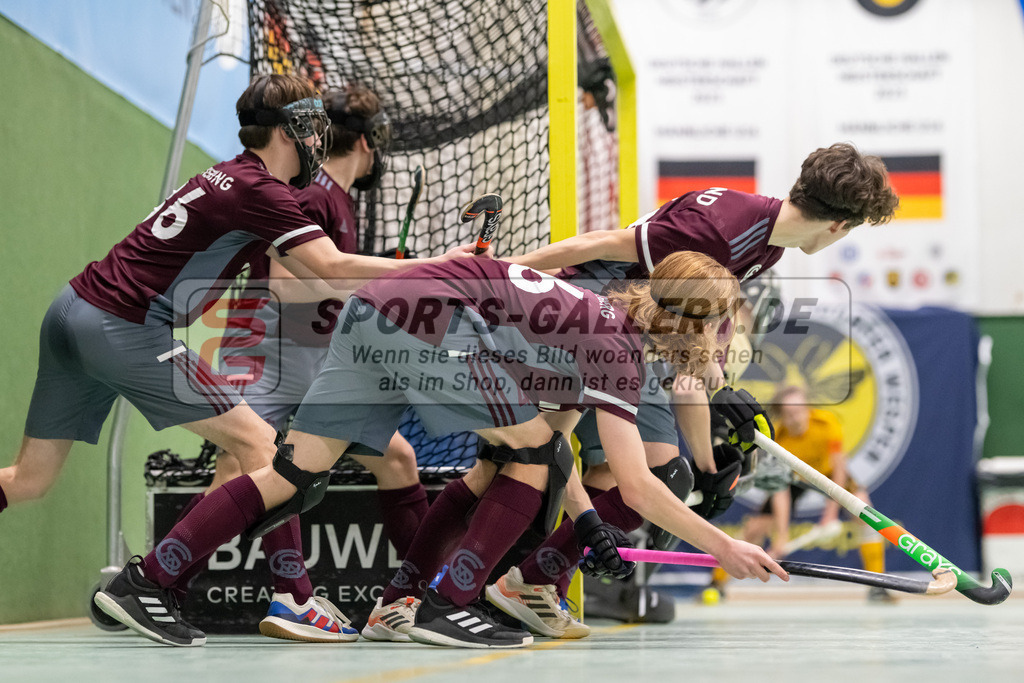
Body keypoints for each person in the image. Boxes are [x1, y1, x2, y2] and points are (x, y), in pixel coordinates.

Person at [95, 251, 789, 648]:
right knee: (521, 455)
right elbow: (634, 485)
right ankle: (441, 600)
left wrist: (582, 522)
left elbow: (558, 446)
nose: (728, 339)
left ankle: (147, 579)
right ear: (696, 320)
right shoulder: (615, 346)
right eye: (725, 324)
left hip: (379, 309)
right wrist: (721, 546)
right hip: (423, 320)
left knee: (292, 471)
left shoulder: (605, 324)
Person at [0, 72, 474, 646]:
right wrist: (439, 268)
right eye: (315, 127)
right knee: (264, 448)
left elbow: (317, 278)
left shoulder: (232, 177)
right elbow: (327, 270)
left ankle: (190, 586)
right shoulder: (262, 190)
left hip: (72, 307)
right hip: (123, 324)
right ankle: (278, 596)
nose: (321, 141)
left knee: (28, 479)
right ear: (294, 129)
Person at [480, 143, 899, 633]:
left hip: (641, 341)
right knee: (545, 455)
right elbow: (593, 244)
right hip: (591, 318)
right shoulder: (718, 224)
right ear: (837, 225)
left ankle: (534, 582)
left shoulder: (769, 247)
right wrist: (502, 275)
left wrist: (708, 460)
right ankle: (484, 585)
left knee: (667, 475)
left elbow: (692, 366)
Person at [163, 83, 429, 640]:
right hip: (273, 351)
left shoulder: (333, 194)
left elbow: (325, 287)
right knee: (250, 465)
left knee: (392, 459)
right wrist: (381, 280)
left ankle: (415, 597)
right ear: (366, 142)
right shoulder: (317, 195)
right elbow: (285, 286)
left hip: (308, 356)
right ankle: (186, 588)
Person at [707, 385, 895, 603]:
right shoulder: (778, 440)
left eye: (799, 410)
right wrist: (782, 537)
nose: (796, 418)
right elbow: (781, 491)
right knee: (755, 528)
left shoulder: (827, 423)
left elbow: (839, 471)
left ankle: (878, 586)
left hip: (829, 474)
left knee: (865, 509)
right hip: (793, 479)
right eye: (789, 414)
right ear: (781, 417)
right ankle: (716, 584)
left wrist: (830, 515)